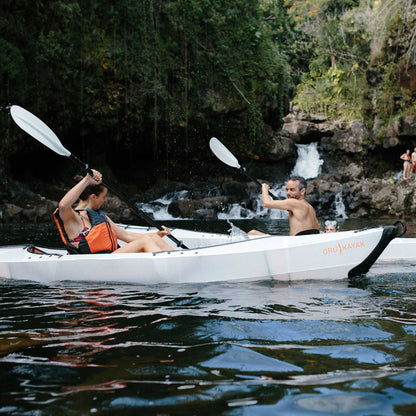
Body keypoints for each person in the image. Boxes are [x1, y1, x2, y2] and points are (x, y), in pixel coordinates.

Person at [54, 169, 174, 254]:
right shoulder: (72, 217)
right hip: (95, 264)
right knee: (145, 241)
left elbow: (126, 236)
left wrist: (156, 234)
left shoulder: (100, 216)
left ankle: (177, 259)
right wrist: (87, 179)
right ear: (93, 197)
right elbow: (63, 205)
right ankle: (170, 267)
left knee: (154, 239)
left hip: (110, 259)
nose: (105, 200)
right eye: (104, 196)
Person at [248, 176, 320, 236]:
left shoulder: (294, 202)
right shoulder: (310, 207)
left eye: (292, 190)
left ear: (302, 191)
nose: (288, 193)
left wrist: (264, 189)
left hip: (296, 243)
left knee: (252, 233)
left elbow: (267, 203)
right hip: (307, 241)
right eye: (287, 190)